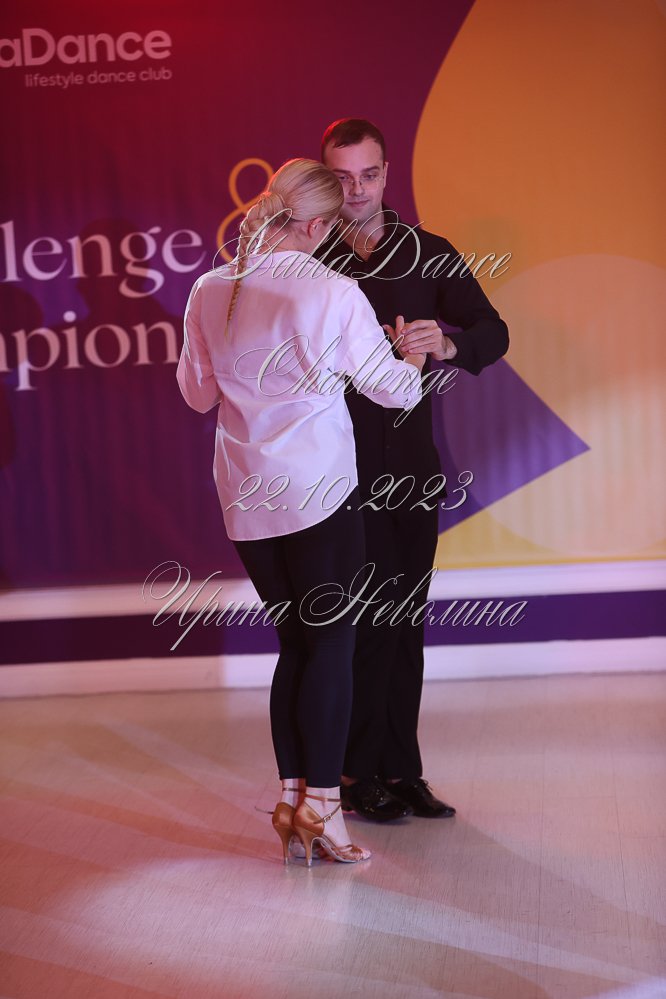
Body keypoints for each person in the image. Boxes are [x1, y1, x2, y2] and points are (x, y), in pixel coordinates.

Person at [176, 158, 426, 865]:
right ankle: (324, 808)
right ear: (318, 226)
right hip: (316, 492)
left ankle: (294, 803)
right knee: (333, 646)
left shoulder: (209, 288)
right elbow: (395, 392)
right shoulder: (335, 290)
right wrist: (409, 357)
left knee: (296, 644)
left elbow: (197, 396)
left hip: (245, 491)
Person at [315, 119, 510, 822]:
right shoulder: (308, 259)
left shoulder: (428, 252)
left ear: (387, 174)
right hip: (337, 472)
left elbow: (493, 330)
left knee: (405, 620)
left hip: (413, 468)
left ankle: (402, 770)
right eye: (341, 178)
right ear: (325, 180)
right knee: (367, 622)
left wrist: (448, 345)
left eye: (368, 175)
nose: (357, 191)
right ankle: (352, 772)